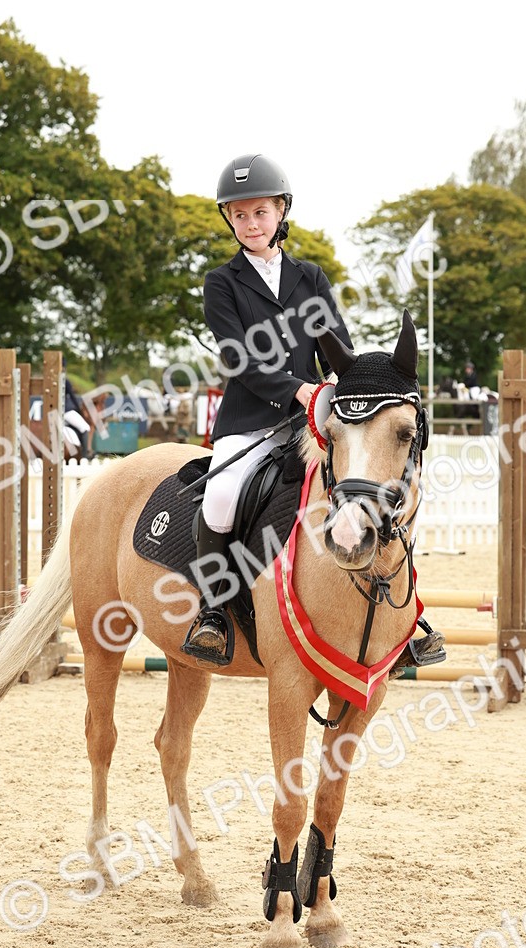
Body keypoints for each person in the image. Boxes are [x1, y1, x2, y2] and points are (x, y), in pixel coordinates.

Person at [181, 153, 353, 665]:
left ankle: (403, 617)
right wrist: (298, 390)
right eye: (240, 215)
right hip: (249, 422)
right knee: (220, 495)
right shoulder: (222, 282)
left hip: (312, 421)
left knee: (367, 484)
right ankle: (213, 612)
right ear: (229, 220)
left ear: (281, 212)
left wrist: (346, 380)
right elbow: (239, 359)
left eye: (260, 212)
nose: (251, 223)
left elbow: (337, 346)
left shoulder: (311, 277)